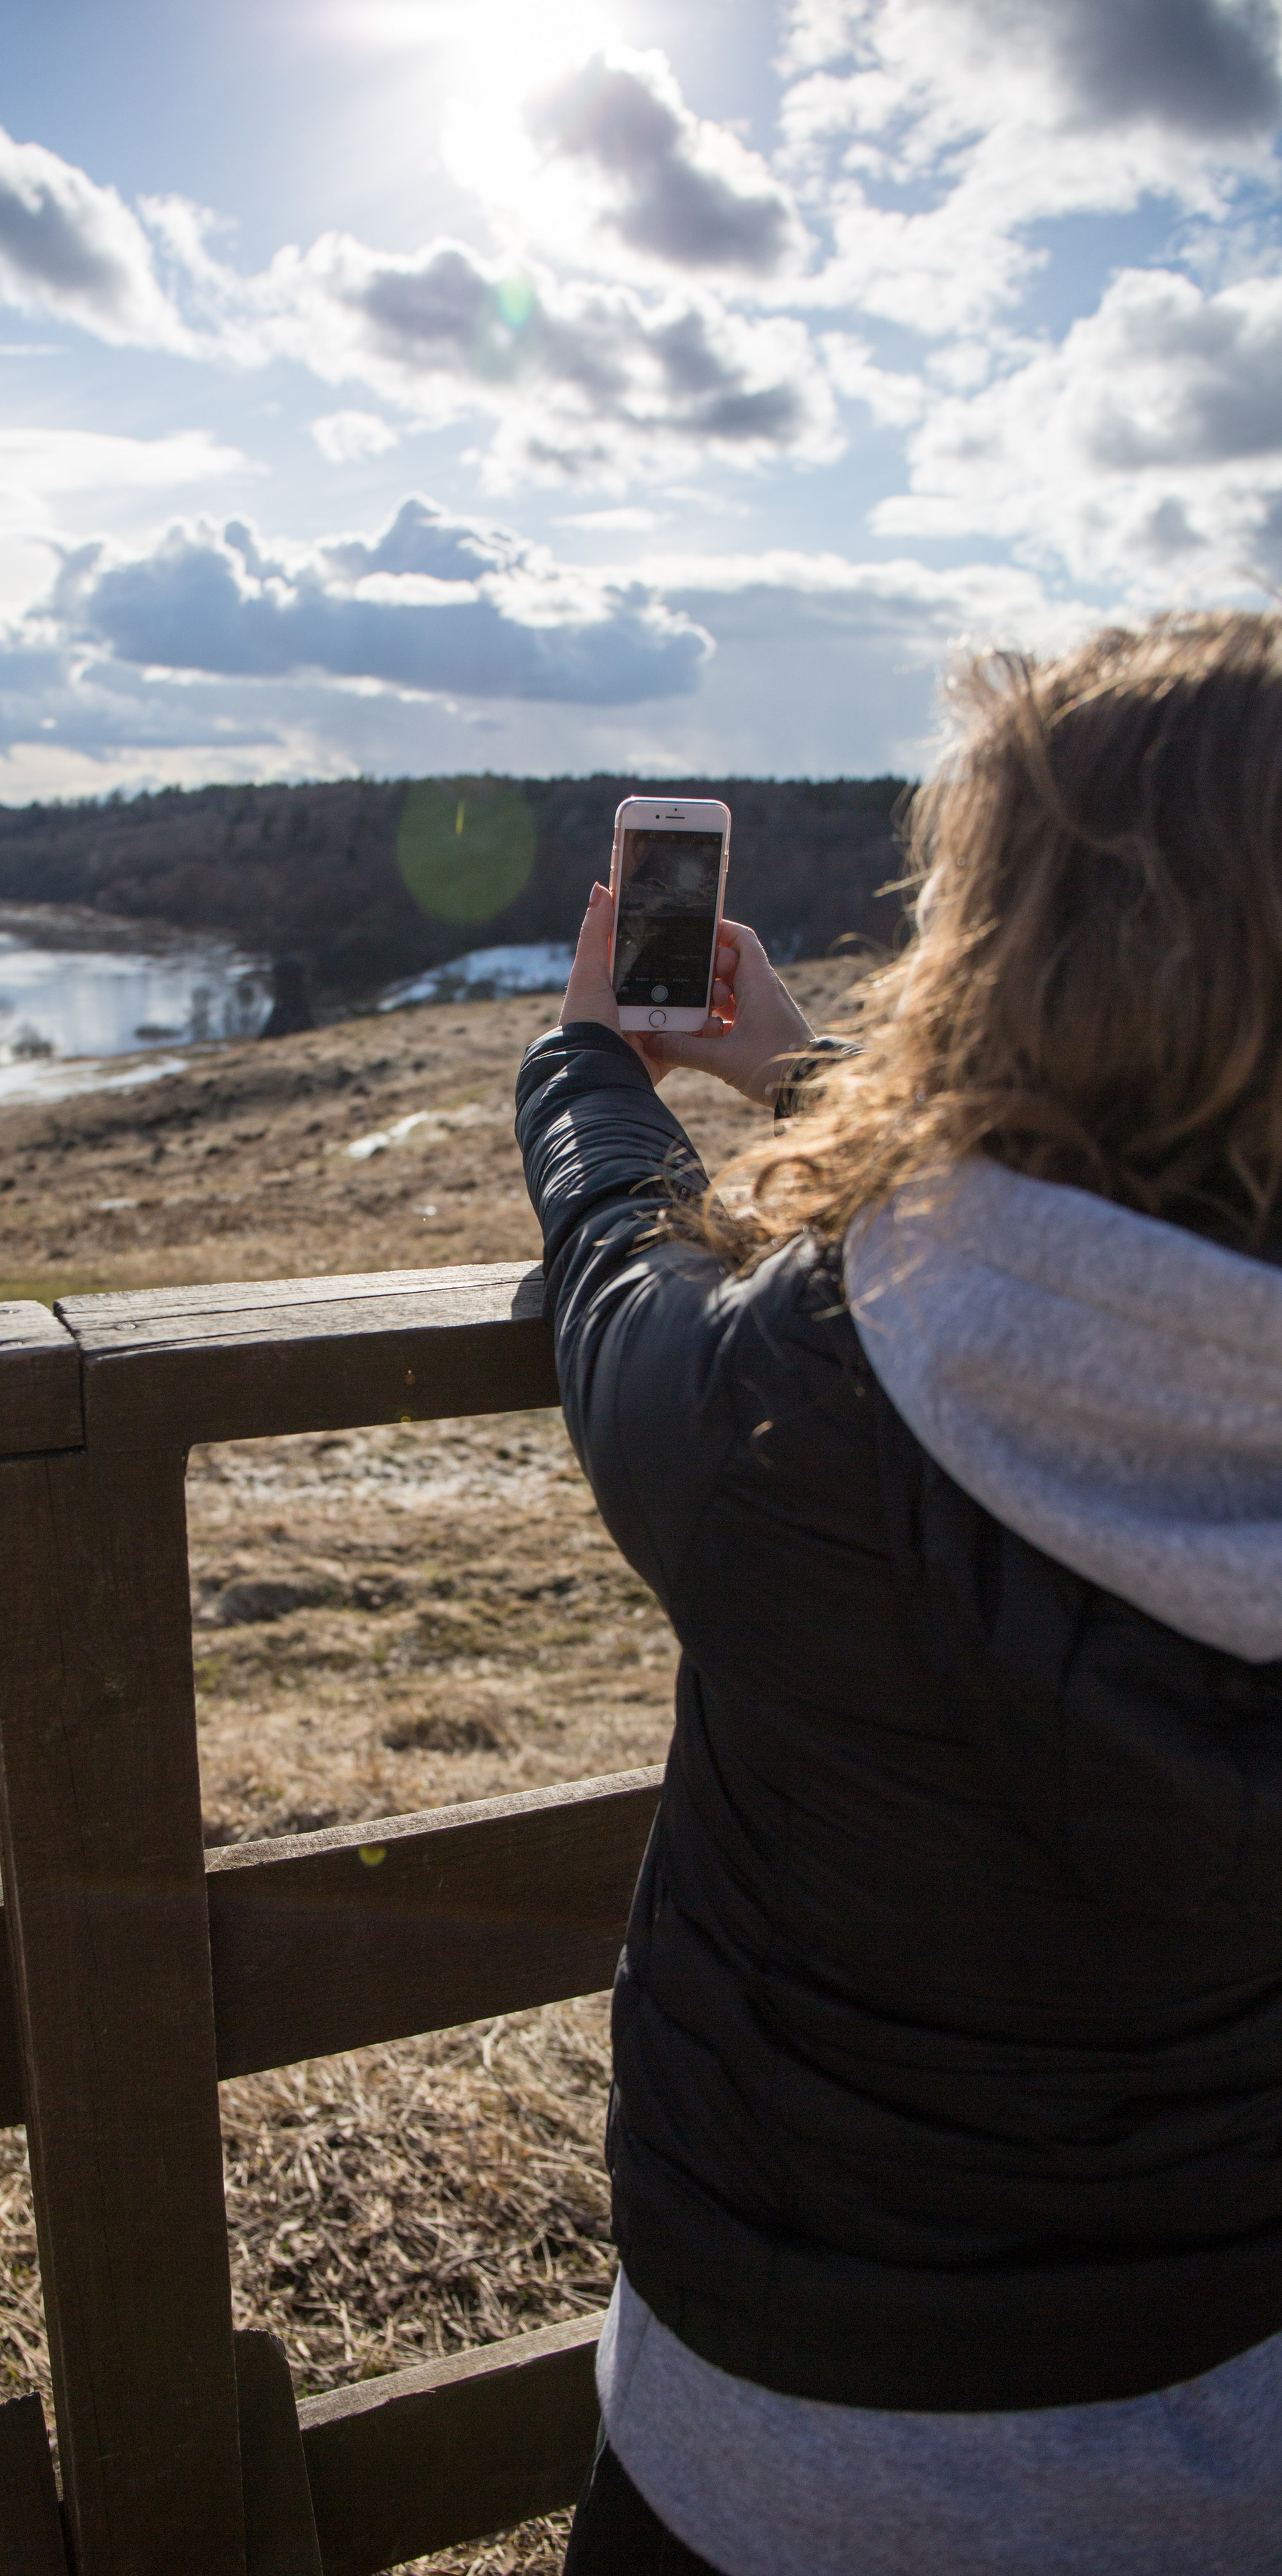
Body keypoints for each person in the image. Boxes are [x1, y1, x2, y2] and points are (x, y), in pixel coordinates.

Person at [517, 611, 1282, 2576]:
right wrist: (803, 1077)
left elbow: (624, 1285)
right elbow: (1136, 1260)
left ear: (1001, 947)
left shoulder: (801, 1398)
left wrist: (586, 1065)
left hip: (789, 2459)